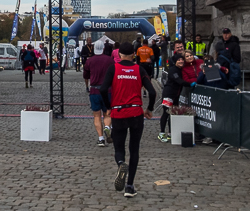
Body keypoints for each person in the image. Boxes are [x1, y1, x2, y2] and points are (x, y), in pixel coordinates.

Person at [98, 41, 157, 198]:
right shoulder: (139, 69)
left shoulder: (113, 68)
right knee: (134, 148)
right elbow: (152, 92)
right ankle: (129, 186)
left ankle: (120, 164)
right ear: (133, 54)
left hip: (119, 112)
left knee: (119, 148)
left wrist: (109, 106)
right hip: (136, 112)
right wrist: (149, 109)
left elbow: (103, 89)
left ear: (118, 55)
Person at [158, 50, 201, 142]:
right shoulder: (173, 70)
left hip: (176, 95)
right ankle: (161, 133)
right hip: (168, 94)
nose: (181, 61)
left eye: (182, 60)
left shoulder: (181, 69)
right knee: (166, 113)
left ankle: (170, 133)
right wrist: (190, 84)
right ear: (175, 61)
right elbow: (179, 81)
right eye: (179, 60)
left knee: (173, 114)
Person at [84, 43, 115, 146]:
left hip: (95, 91)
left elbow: (86, 75)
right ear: (104, 48)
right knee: (108, 113)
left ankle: (101, 138)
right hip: (108, 90)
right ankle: (107, 127)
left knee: (96, 115)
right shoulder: (109, 60)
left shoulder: (89, 61)